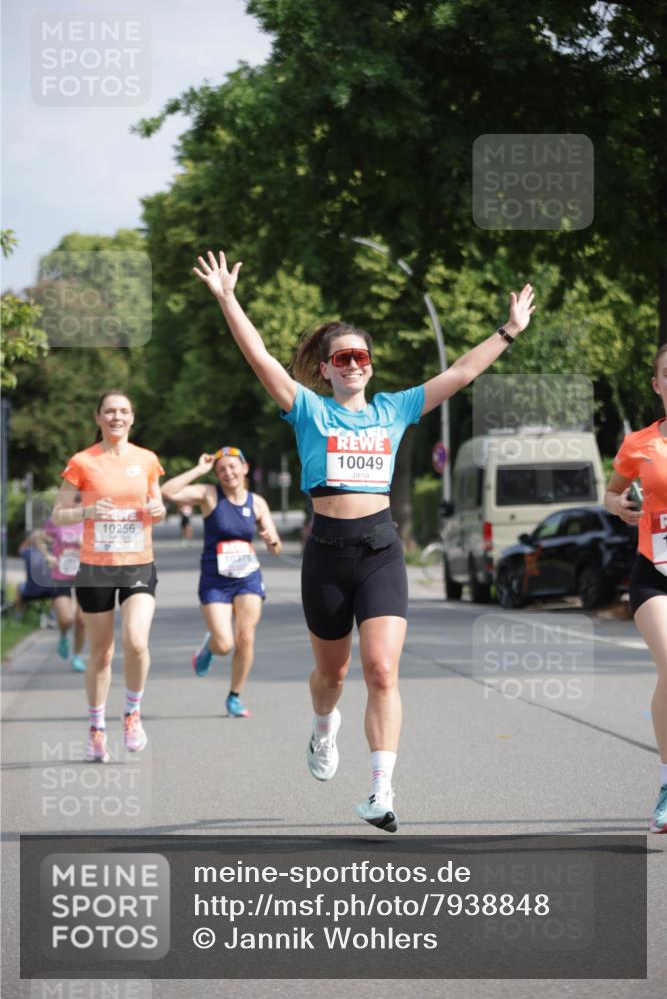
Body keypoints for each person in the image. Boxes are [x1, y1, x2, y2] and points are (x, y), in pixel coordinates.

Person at [194, 249, 535, 832]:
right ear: (326, 369)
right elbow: (261, 358)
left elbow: (458, 374)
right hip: (326, 552)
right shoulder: (307, 409)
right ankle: (323, 728)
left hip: (380, 548)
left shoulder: (395, 408)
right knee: (333, 677)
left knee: (382, 670)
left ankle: (381, 791)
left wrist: (508, 330)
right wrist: (228, 298)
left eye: (361, 356)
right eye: (342, 357)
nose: (353, 364)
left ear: (371, 366)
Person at [52, 390, 166, 763]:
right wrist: (87, 512)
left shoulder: (147, 460)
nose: (116, 417)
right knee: (101, 655)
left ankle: (132, 713)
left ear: (132, 418)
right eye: (109, 411)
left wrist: (158, 508)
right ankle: (96, 727)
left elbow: (158, 506)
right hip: (95, 567)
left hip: (137, 563)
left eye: (123, 411)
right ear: (98, 417)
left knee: (136, 641)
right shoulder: (83, 462)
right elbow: (58, 514)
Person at [161, 446, 282, 717]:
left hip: (248, 576)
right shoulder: (208, 495)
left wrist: (271, 541)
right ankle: (209, 648)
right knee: (225, 644)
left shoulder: (257, 502)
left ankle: (234, 696)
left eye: (232, 466)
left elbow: (277, 547)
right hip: (215, 578)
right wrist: (199, 470)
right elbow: (167, 491)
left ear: (245, 468)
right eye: (221, 469)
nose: (228, 473)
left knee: (246, 637)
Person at [605, 342, 667, 833]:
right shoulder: (639, 443)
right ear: (657, 384)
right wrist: (619, 507)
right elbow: (612, 492)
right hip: (654, 573)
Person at [33, 514, 87, 672]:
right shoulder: (57, 520)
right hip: (61, 575)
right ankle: (63, 636)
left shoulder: (92, 519)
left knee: (82, 619)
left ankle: (76, 656)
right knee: (66, 618)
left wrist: (87, 545)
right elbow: (37, 536)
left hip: (85, 574)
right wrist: (48, 556)